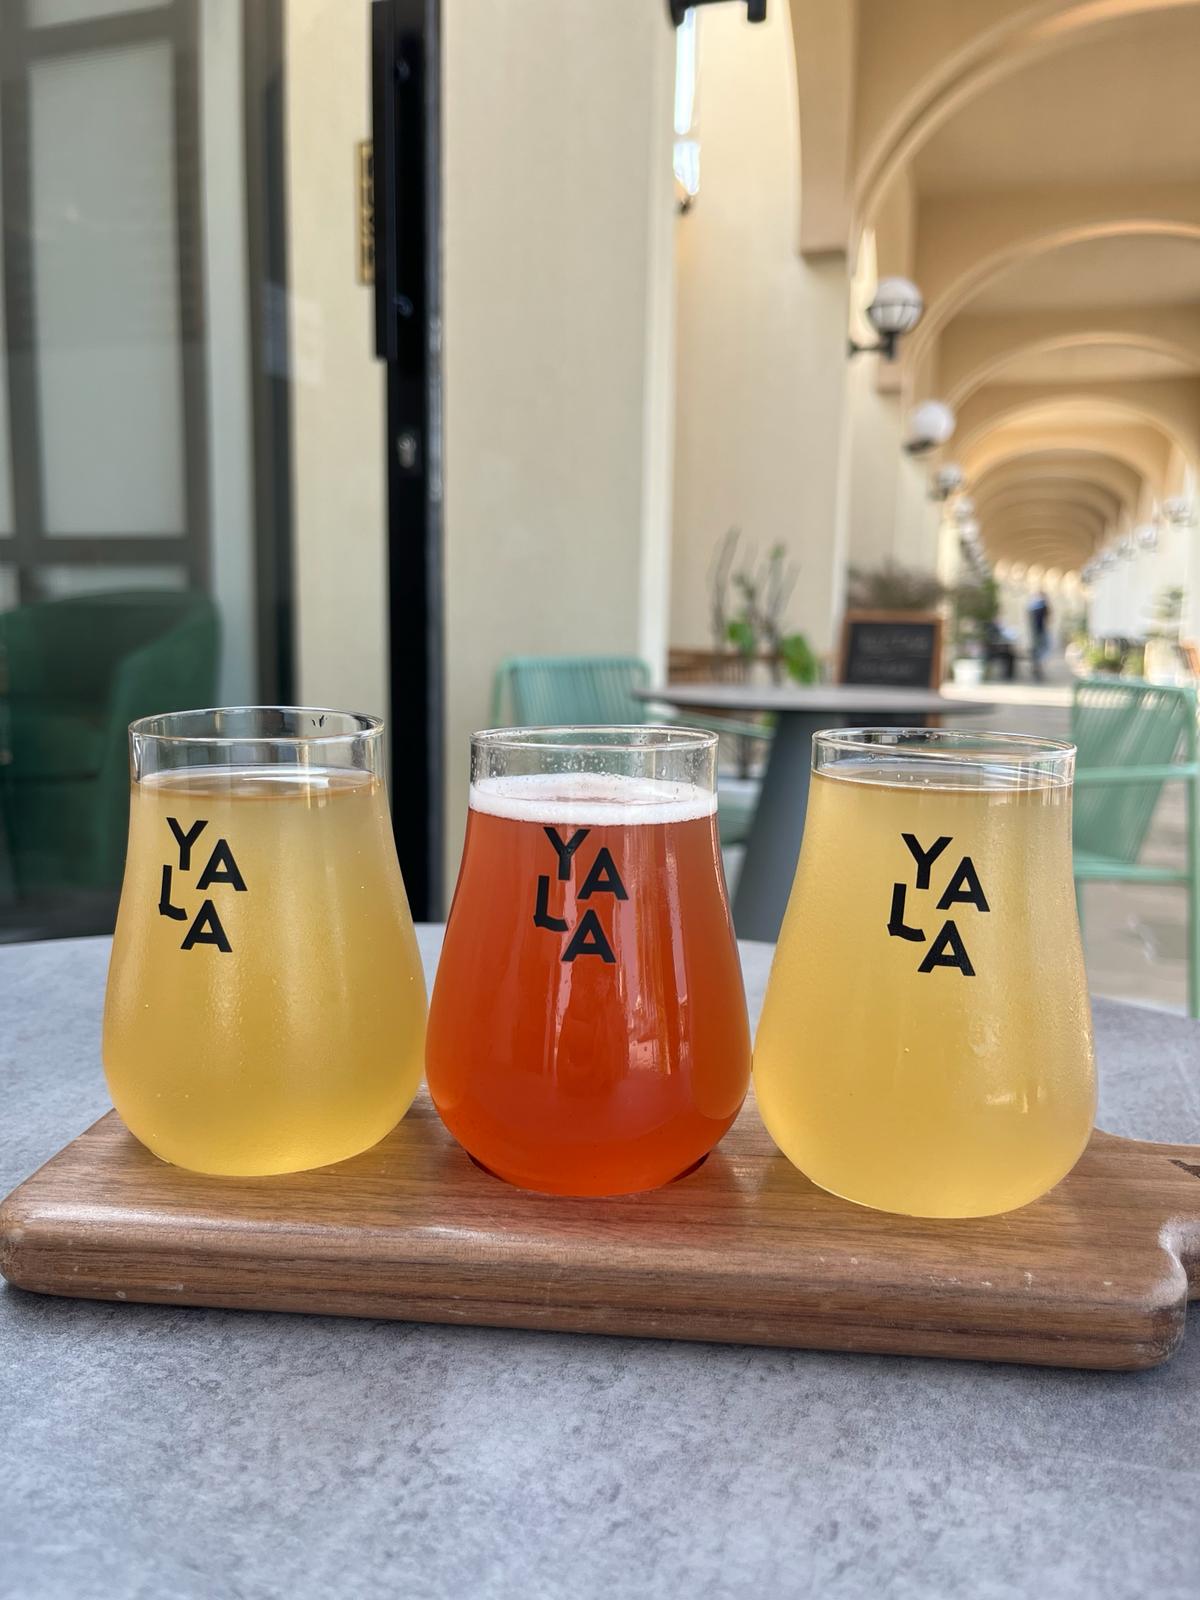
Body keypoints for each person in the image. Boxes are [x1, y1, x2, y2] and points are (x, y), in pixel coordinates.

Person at [1028, 591, 1051, 682]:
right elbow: (1048, 617)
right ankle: (1037, 670)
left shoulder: (1033, 606)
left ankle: (1037, 669)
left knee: (1037, 652)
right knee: (1041, 651)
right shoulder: (1042, 605)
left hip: (1036, 632)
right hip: (1040, 632)